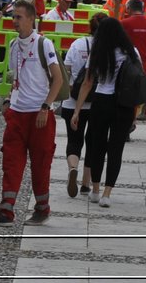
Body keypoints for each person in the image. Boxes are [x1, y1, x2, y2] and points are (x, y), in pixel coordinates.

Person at [0, 0, 66, 226]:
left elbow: (57, 79)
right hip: (17, 115)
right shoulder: (12, 46)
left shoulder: (43, 44)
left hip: (39, 115)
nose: (14, 21)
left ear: (31, 19)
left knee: (40, 164)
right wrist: (9, 101)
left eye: (19, 17)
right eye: (13, 17)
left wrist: (46, 107)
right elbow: (16, 78)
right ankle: (5, 211)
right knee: (11, 162)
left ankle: (42, 208)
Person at [70, 16, 140, 208]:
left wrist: (77, 111)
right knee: (116, 149)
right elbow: (137, 82)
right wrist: (137, 109)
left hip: (102, 100)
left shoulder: (98, 52)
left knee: (97, 146)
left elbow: (87, 83)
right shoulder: (132, 52)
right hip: (124, 104)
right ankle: (107, 194)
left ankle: (95, 189)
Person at [60, 12, 105, 199]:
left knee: (74, 140)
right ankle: (86, 184)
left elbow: (66, 69)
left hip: (72, 100)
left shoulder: (77, 44)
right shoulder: (107, 49)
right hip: (97, 101)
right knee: (93, 142)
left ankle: (72, 167)